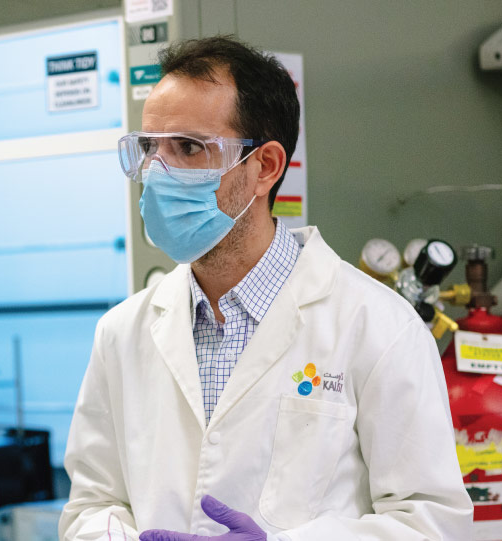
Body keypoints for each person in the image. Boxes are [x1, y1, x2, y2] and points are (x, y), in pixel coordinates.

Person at [59, 36, 472, 541]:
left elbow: (431, 521)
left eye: (189, 148)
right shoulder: (122, 332)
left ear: (266, 167)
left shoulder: (377, 326)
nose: (157, 175)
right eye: (149, 149)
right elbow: (92, 503)